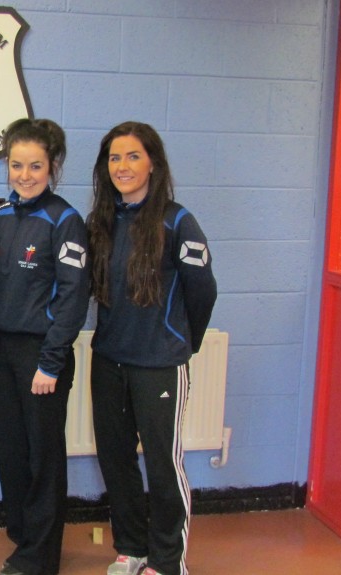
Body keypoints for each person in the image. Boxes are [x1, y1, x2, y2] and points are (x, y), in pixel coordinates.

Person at [86, 122, 217, 575]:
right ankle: (131, 548)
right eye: (114, 158)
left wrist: (183, 342)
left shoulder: (178, 221)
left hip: (159, 365)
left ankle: (166, 562)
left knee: (163, 466)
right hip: (108, 362)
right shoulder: (100, 222)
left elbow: (203, 292)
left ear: (153, 163)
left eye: (132, 156)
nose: (122, 166)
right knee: (116, 461)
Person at [0, 118, 89, 575]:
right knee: (11, 451)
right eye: (16, 165)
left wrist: (52, 362)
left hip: (42, 357)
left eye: (34, 165)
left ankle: (39, 558)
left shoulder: (65, 220)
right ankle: (23, 534)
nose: (24, 174)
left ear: (52, 166)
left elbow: (74, 298)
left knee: (43, 458)